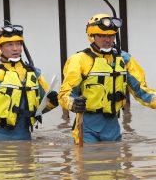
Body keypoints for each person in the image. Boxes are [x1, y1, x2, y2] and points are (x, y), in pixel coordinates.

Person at [58, 12, 156, 144]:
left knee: (114, 162)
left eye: (111, 35)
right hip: (86, 127)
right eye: (102, 36)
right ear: (92, 36)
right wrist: (73, 103)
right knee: (88, 161)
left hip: (112, 126)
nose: (108, 40)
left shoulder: (124, 59)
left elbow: (142, 91)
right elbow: (65, 94)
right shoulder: (79, 60)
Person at [0, 23, 58, 142]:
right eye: (9, 44)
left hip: (26, 139)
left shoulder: (34, 74)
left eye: (18, 44)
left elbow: (41, 109)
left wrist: (53, 102)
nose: (15, 48)